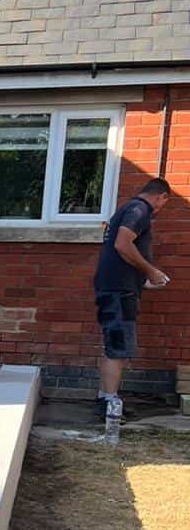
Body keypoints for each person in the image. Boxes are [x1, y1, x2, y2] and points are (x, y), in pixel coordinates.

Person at [93, 176, 173, 420]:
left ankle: (106, 398)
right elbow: (122, 244)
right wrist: (151, 270)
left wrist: (143, 282)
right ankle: (108, 404)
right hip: (119, 292)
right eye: (163, 204)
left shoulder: (128, 208)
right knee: (118, 349)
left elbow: (121, 254)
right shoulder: (139, 210)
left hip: (118, 288)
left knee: (114, 346)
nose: (160, 208)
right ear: (161, 197)